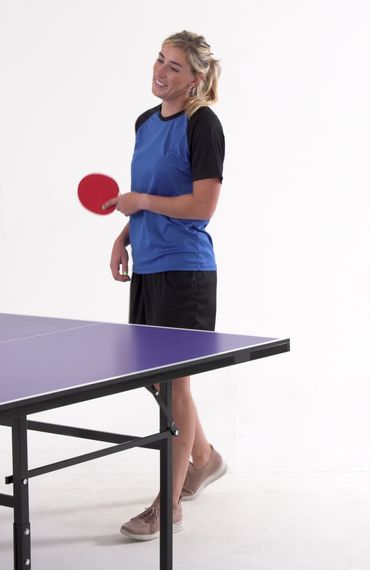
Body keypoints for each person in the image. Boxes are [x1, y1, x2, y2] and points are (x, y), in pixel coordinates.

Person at [103, 30, 227, 541]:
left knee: (174, 385)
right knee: (156, 382)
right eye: (160, 60)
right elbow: (148, 193)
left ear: (195, 78)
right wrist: (123, 235)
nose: (162, 71)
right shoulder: (145, 123)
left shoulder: (204, 125)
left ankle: (167, 503)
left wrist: (141, 206)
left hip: (186, 271)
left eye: (175, 66)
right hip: (150, 265)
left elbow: (202, 206)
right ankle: (205, 458)